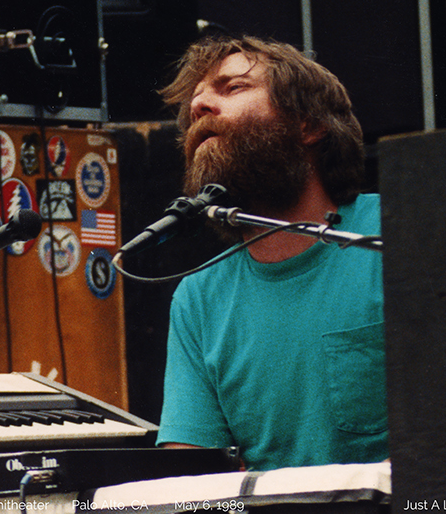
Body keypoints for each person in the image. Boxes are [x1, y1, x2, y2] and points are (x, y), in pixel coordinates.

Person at [155, 36, 388, 471]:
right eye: (195, 102)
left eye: (233, 87)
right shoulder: (199, 299)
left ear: (308, 124)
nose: (199, 106)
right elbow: (189, 475)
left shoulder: (399, 230)